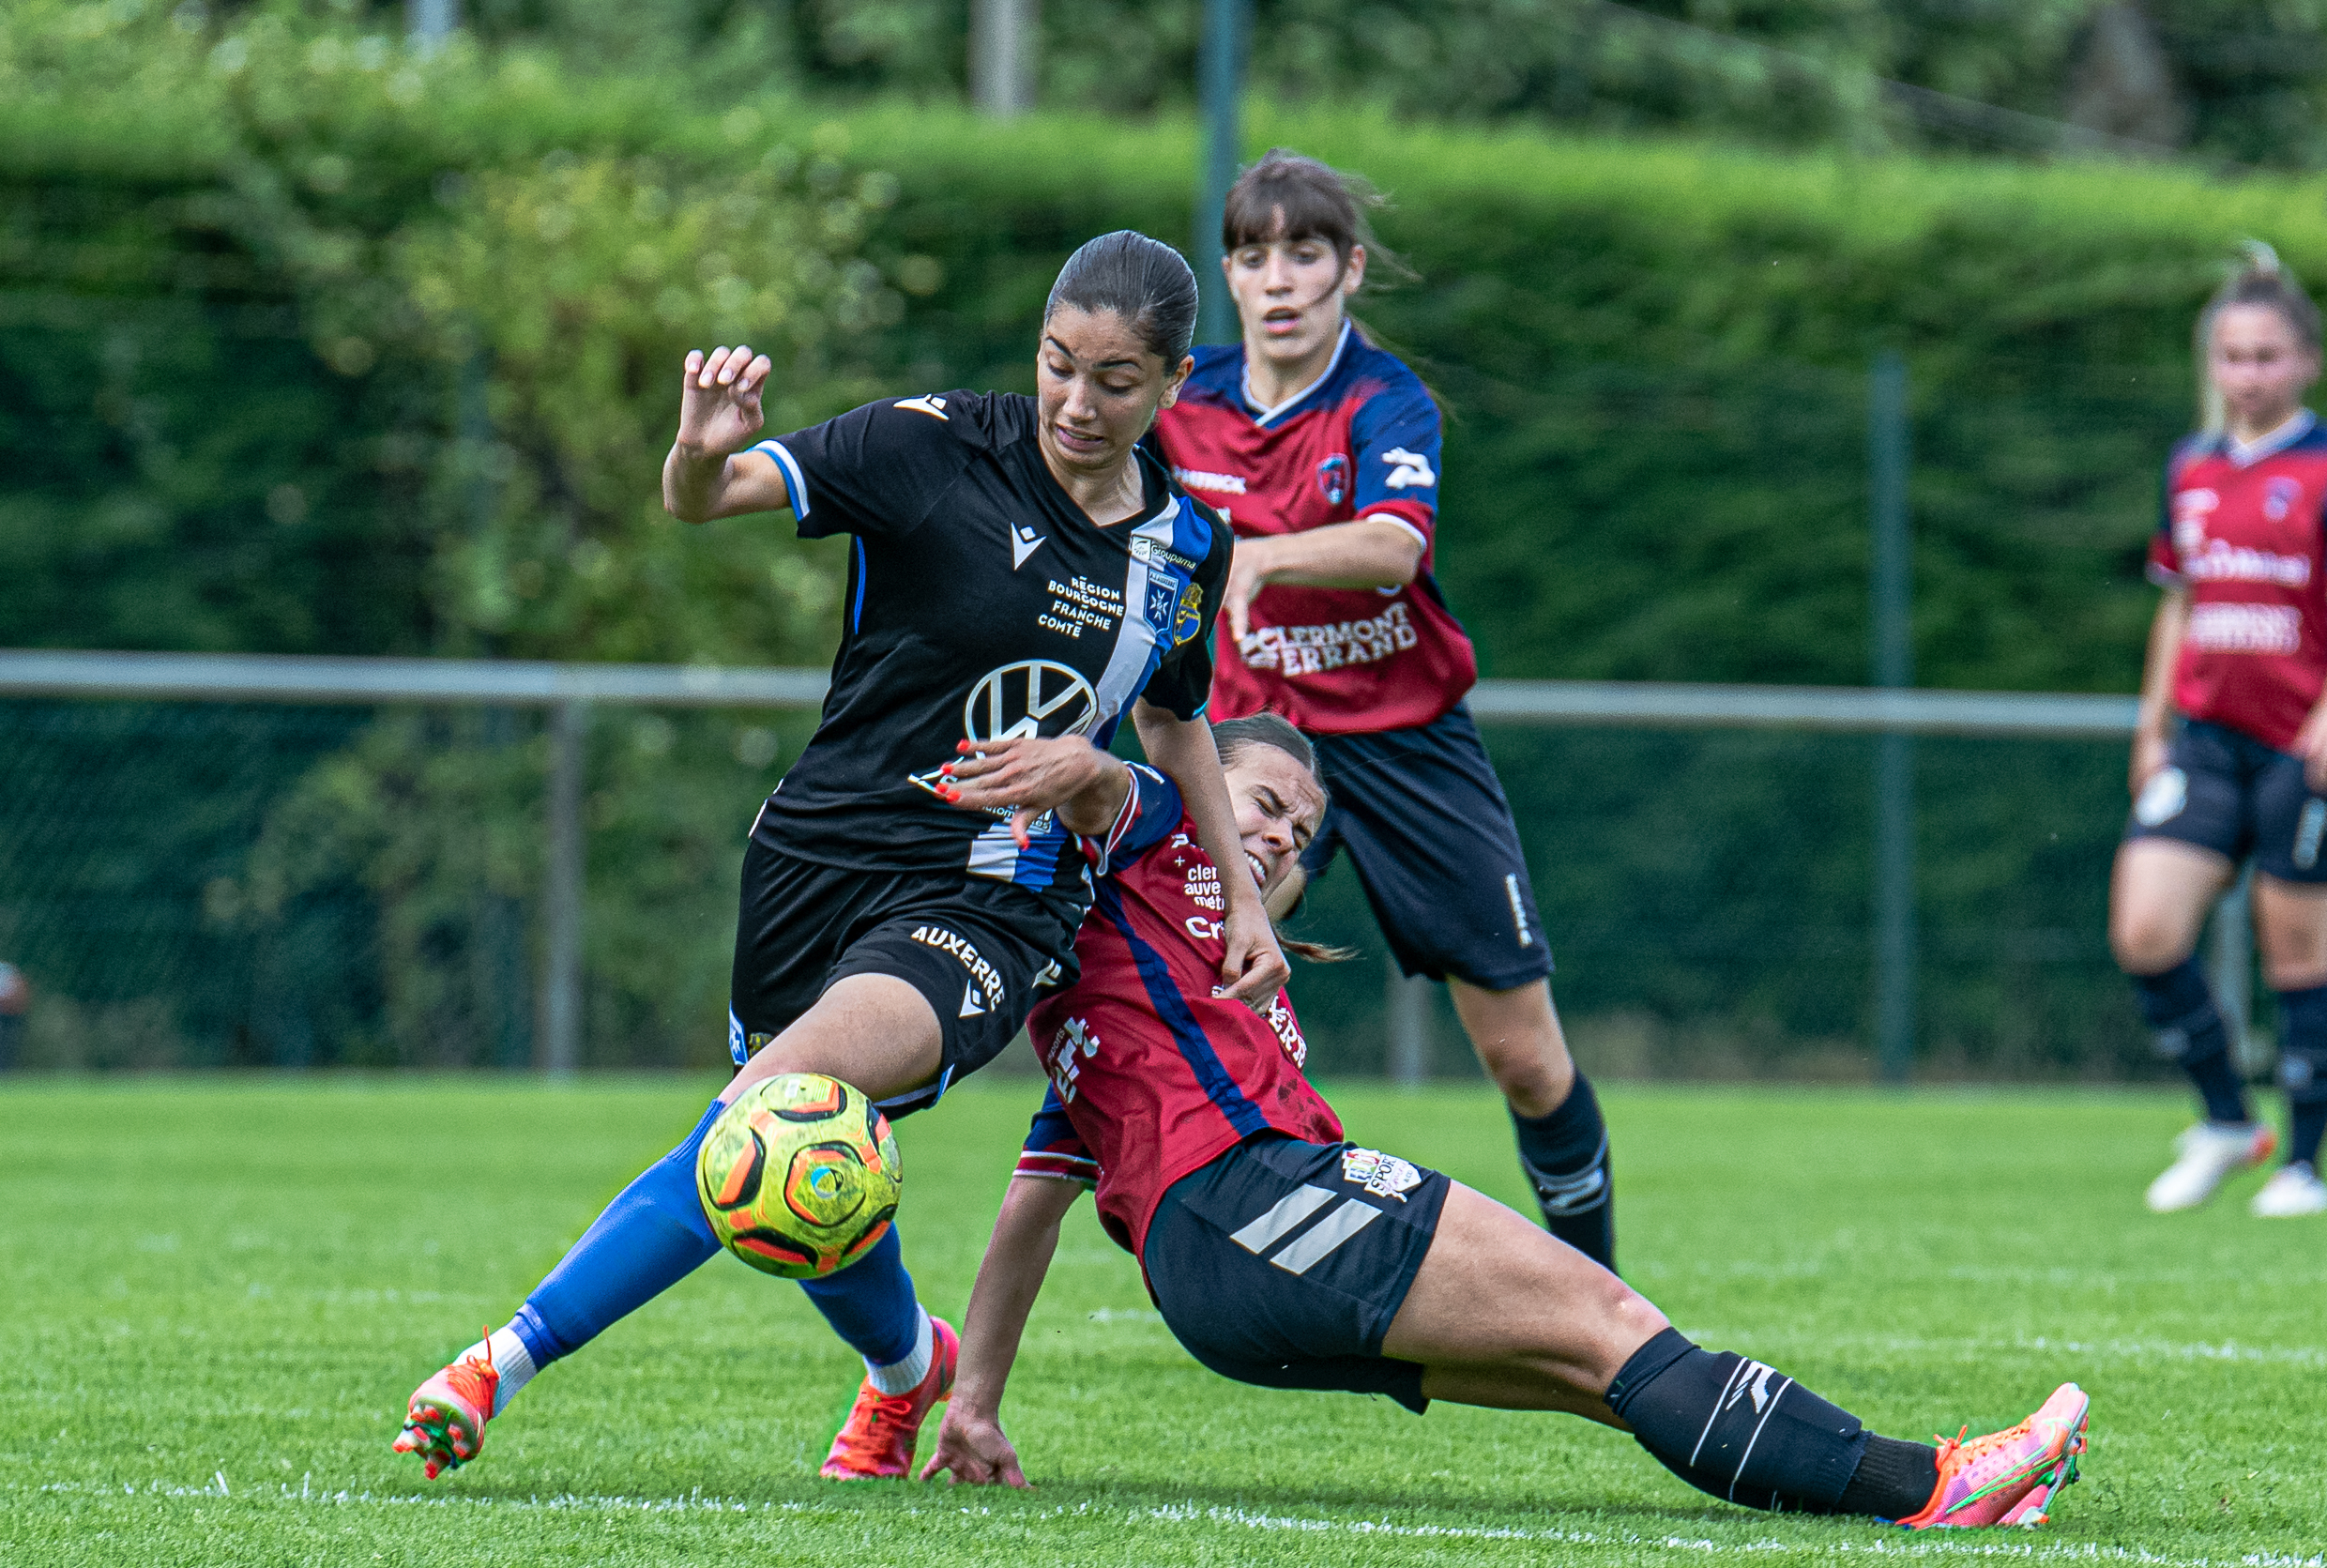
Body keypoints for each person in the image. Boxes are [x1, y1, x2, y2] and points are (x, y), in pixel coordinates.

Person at [392, 230, 1289, 1483]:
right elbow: (706, 498)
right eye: (1057, 363)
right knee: (798, 1157)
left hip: (991, 891)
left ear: (1174, 381)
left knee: (769, 1111)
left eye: (1115, 380)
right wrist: (696, 449)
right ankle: (908, 1368)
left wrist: (1243, 898)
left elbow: (1176, 720)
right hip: (815, 856)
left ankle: (501, 1359)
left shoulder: (1184, 546)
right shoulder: (929, 444)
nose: (1077, 403)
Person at [916, 716, 2091, 1529]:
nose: (1276, 838)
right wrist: (1070, 755)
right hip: (1256, 1202)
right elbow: (1109, 783)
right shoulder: (1162, 849)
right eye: (1262, 806)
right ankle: (1933, 1483)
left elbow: (1033, 1205)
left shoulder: (1149, 975)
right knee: (1614, 1322)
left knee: (1600, 1370)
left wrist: (973, 1409)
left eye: (1299, 831)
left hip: (1213, 1280)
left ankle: (1927, 1489)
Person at [1148, 149, 1620, 1270]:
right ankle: (1207, 1244)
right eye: (1252, 256)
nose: (1277, 278)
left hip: (1407, 744)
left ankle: (1601, 1299)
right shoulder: (1185, 400)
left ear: (1348, 269)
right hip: (1264, 741)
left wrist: (1260, 557)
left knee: (1523, 1060)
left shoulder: (1382, 399)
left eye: (1303, 253)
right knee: (1193, 973)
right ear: (1228, 273)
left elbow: (1392, 547)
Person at [2112, 244, 2327, 1219]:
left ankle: (2304, 1165)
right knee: (2145, 931)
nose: (2248, 375)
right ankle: (2227, 1120)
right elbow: (2180, 602)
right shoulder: (2190, 466)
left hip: (2295, 746)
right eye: (2232, 357)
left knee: (2296, 955)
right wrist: (2149, 727)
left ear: (2306, 362)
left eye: (2266, 356)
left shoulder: (2319, 468)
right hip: (2202, 740)